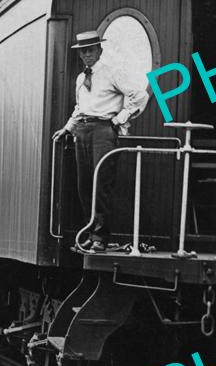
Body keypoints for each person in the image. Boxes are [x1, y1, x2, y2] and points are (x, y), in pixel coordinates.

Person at [53, 30, 150, 252]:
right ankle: (90, 232)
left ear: (99, 50)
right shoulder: (81, 78)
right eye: (83, 51)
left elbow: (139, 95)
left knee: (101, 183)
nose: (87, 55)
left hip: (103, 131)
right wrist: (67, 128)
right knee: (84, 185)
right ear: (80, 55)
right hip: (82, 131)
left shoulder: (112, 72)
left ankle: (100, 237)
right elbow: (80, 108)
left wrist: (118, 120)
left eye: (91, 50)